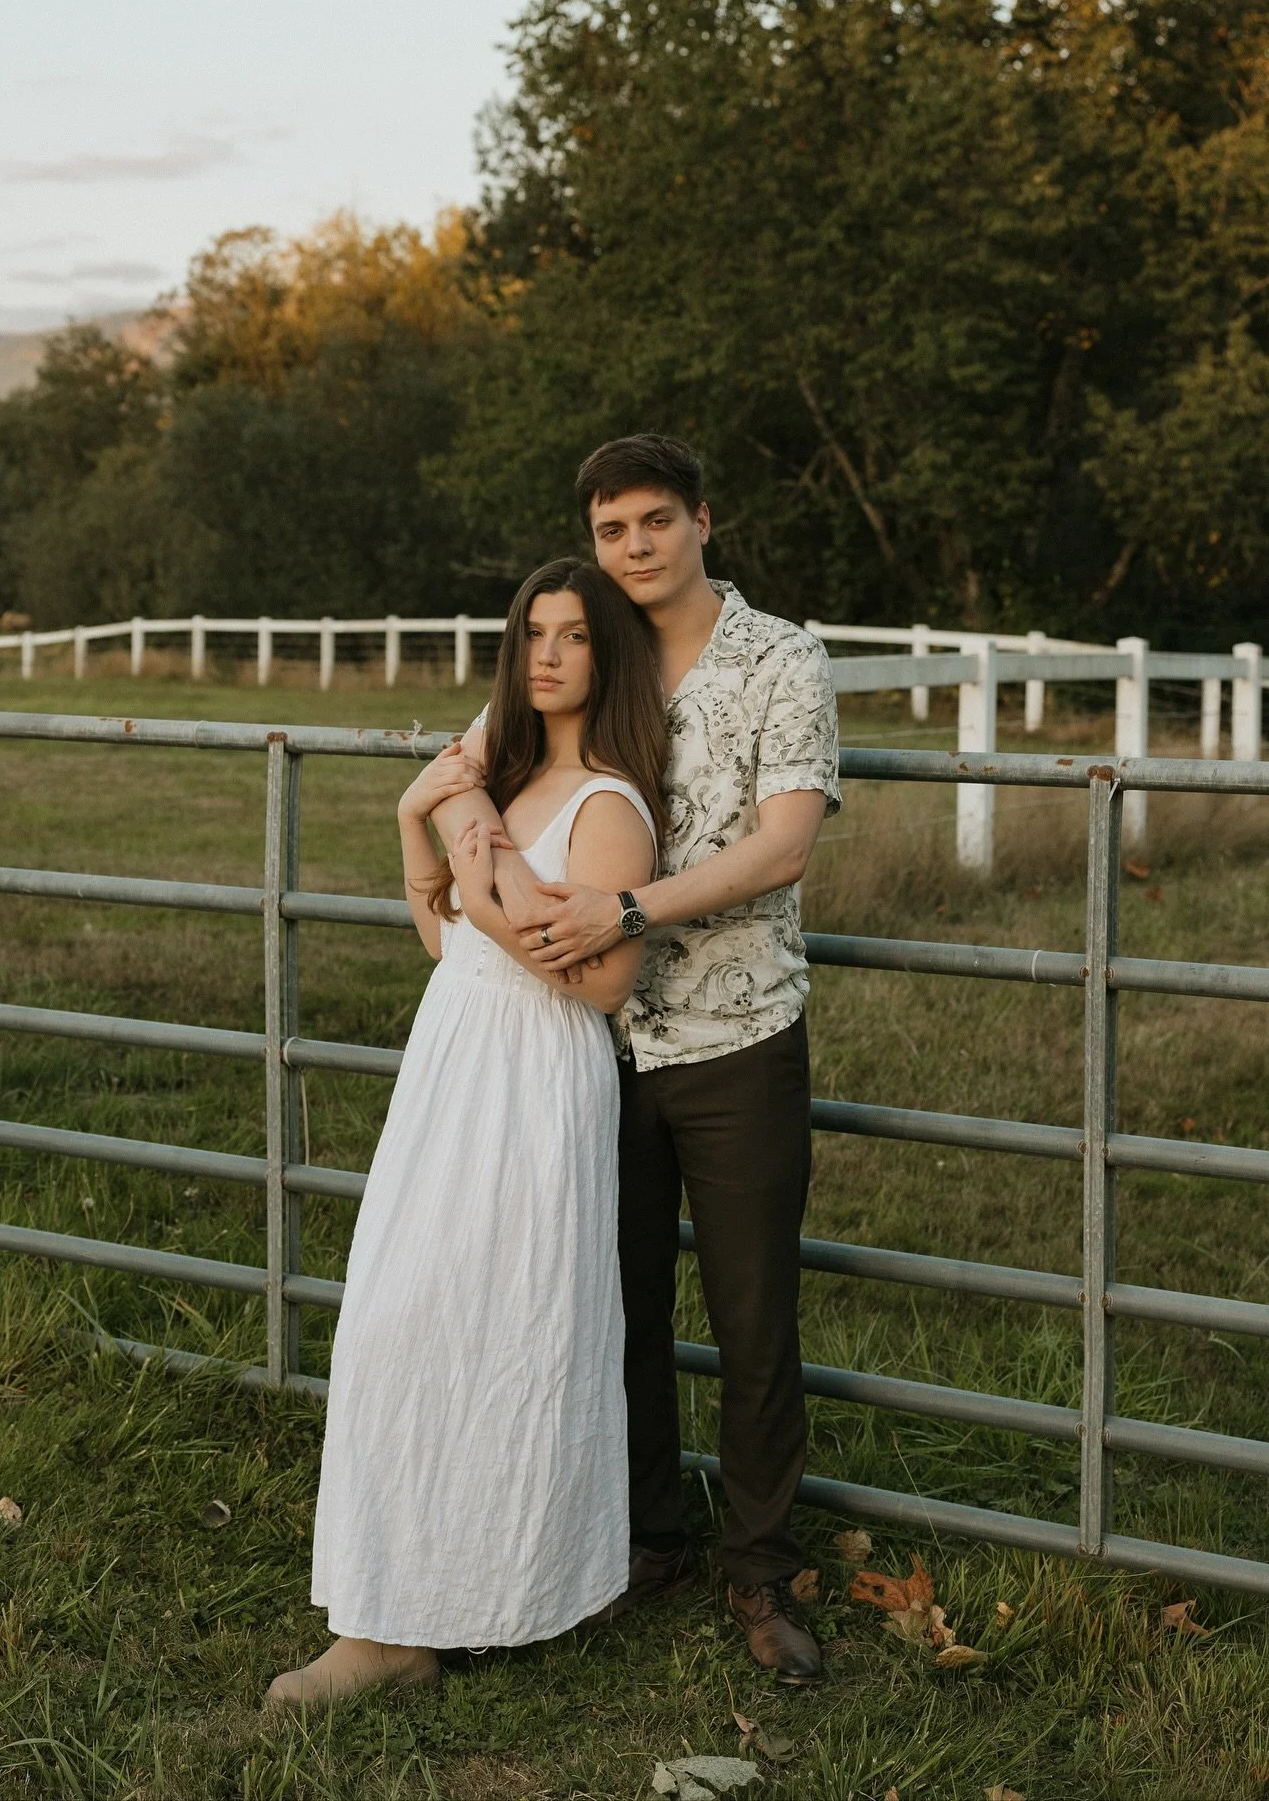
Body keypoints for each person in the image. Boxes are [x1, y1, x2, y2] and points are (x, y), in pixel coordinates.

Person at [430, 435, 841, 1686]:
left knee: (754, 1315)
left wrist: (633, 910)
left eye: (655, 521)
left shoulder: (783, 659)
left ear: (704, 520)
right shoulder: (587, 646)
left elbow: (783, 848)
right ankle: (645, 1535)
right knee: (614, 1305)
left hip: (734, 1033)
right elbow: (471, 768)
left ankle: (761, 1571)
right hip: (588, 1042)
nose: (634, 547)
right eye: (613, 530)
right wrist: (447, 834)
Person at [266, 557, 667, 1706]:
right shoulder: (509, 780)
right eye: (533, 632)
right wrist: (421, 822)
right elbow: (459, 944)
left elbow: (594, 981)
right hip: (455, 1061)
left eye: (574, 634)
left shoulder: (609, 806)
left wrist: (474, 842)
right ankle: (404, 1610)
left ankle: (440, 1614)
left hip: (535, 1083)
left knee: (498, 1328)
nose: (547, 653)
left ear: (609, 655)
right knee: (403, 1319)